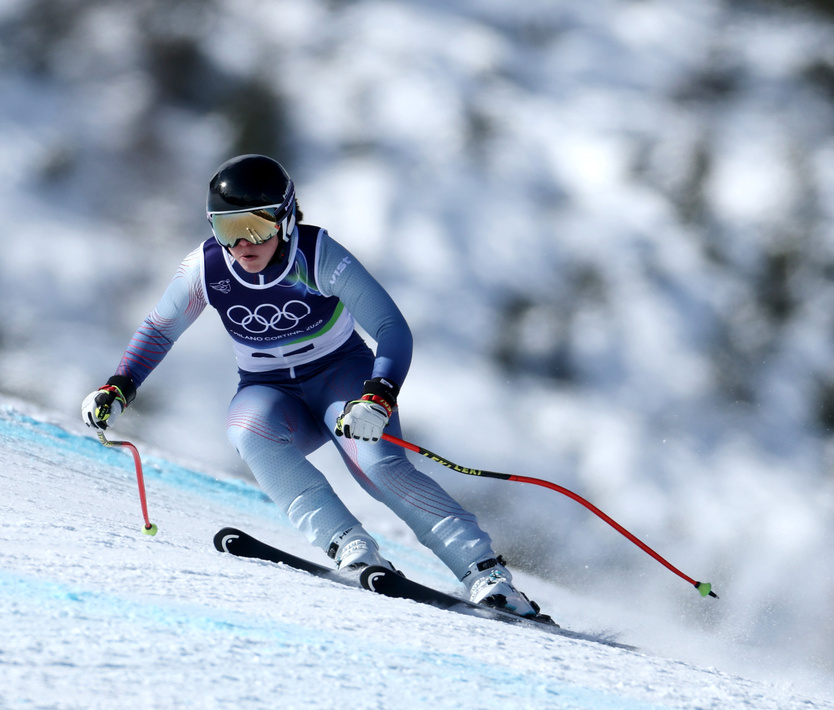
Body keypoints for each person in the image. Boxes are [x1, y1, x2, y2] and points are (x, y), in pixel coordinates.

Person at [81, 154, 544, 618]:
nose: (242, 243)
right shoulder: (205, 269)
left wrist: (378, 396)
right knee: (247, 430)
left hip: (341, 380)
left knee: (378, 468)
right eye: (226, 229)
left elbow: (390, 326)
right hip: (272, 392)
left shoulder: (318, 256)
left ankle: (486, 575)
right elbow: (160, 329)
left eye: (255, 227)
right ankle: (348, 545)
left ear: (284, 219)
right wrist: (119, 386)